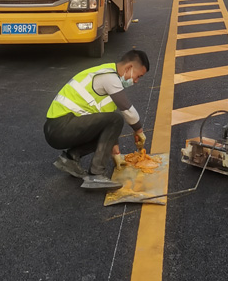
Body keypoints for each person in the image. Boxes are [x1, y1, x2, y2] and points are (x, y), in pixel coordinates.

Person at [44, 50, 150, 190]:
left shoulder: (107, 79)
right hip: (59, 127)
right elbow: (127, 108)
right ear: (129, 68)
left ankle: (70, 158)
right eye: (138, 76)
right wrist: (139, 130)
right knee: (116, 119)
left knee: (111, 122)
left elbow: (106, 128)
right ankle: (96, 175)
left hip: (60, 127)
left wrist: (116, 154)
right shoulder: (109, 78)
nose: (136, 81)